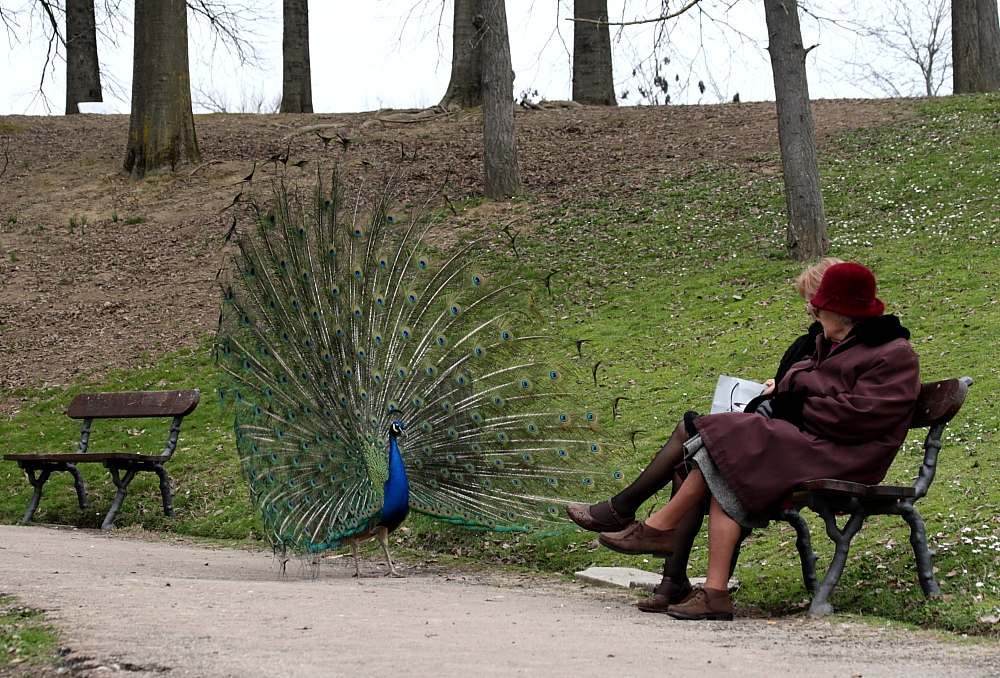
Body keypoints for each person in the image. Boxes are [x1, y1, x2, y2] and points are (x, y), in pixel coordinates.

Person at [570, 262, 920, 620]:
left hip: (846, 455)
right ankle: (715, 593)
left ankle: (661, 527)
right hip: (810, 442)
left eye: (820, 307)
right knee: (729, 464)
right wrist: (783, 397)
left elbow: (862, 417)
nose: (813, 311)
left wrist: (793, 404)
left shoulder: (892, 353)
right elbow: (798, 386)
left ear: (844, 312)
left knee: (731, 436)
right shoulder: (827, 342)